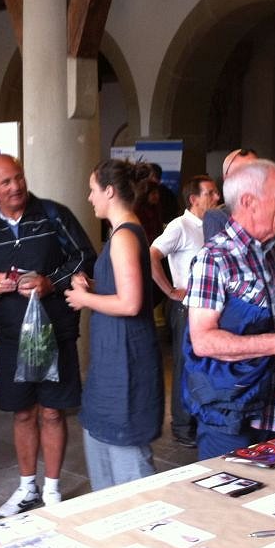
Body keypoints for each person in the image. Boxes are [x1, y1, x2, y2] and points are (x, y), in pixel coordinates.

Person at [0, 154, 96, 516]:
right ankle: (26, 487)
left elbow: (85, 257)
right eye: (5, 182)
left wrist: (51, 282)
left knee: (52, 412)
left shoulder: (53, 215)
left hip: (56, 332)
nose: (16, 186)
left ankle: (52, 489)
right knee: (22, 413)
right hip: (12, 337)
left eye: (18, 177)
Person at [183, 159, 275, 460]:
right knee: (228, 490)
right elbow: (203, 341)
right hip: (232, 418)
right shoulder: (214, 259)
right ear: (248, 202)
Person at [65, 159, 163, 489]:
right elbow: (123, 287)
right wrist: (93, 286)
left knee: (130, 472)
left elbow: (130, 302)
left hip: (126, 363)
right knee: (106, 453)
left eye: (93, 190)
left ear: (109, 191)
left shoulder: (124, 236)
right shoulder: (125, 232)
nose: (90, 197)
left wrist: (84, 299)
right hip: (115, 360)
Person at [150, 174, 221, 447]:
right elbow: (152, 254)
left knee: (203, 365)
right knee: (185, 365)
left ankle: (198, 419)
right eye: (210, 193)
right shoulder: (180, 226)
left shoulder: (213, 226)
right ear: (194, 199)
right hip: (186, 307)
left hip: (208, 307)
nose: (217, 197)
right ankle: (182, 425)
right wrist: (169, 290)